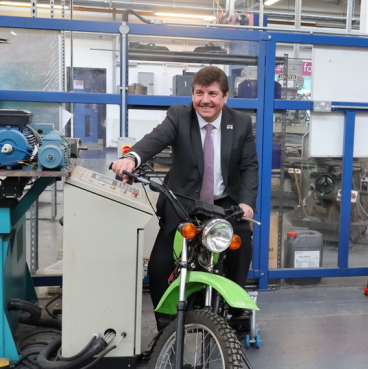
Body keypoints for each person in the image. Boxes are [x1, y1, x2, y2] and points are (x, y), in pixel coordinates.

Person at [110, 66, 259, 330]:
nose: (205, 100)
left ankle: (238, 309)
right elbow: (155, 139)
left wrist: (246, 203)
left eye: (212, 93)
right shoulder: (179, 116)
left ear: (225, 97)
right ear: (192, 95)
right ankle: (165, 329)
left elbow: (249, 166)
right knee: (160, 265)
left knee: (240, 243)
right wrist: (130, 158)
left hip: (225, 205)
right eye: (199, 93)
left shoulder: (241, 123)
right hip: (183, 205)